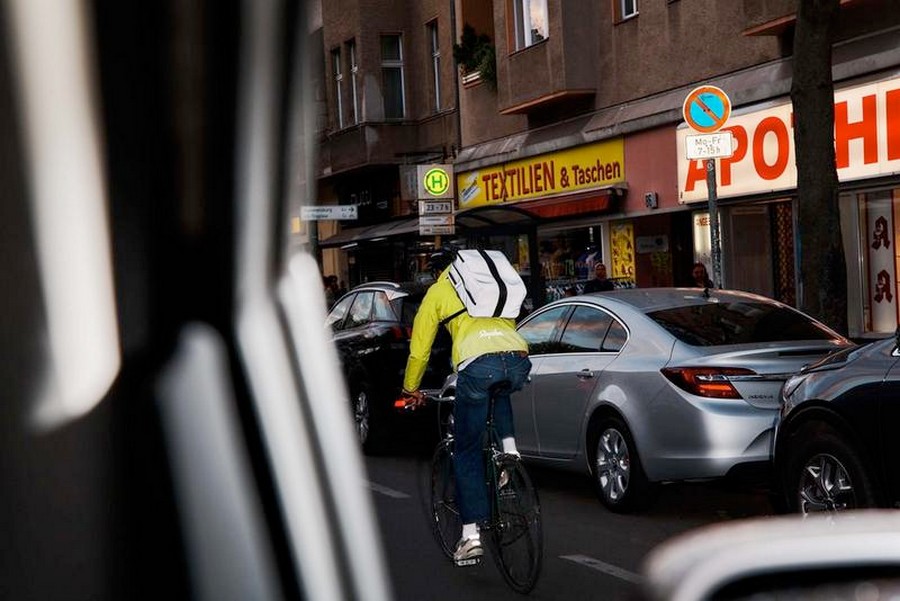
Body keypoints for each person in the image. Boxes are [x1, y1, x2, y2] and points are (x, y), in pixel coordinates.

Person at [400, 249, 531, 566]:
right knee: (497, 388)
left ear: (436, 273)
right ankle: (509, 452)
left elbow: (420, 352)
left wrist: (410, 389)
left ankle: (470, 537)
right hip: (517, 358)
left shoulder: (437, 292)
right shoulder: (488, 284)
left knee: (467, 451)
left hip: (475, 366)